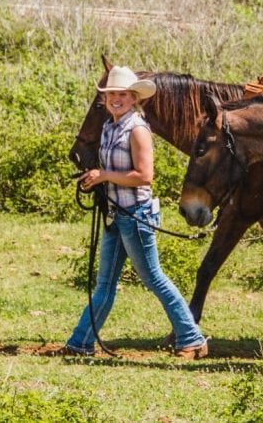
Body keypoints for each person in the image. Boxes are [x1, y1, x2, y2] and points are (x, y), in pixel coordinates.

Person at [63, 65, 208, 359]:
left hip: (136, 215)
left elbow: (144, 176)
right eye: (111, 94)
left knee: (154, 278)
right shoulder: (108, 127)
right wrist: (95, 178)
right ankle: (80, 343)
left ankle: (192, 338)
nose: (116, 99)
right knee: (104, 283)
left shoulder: (138, 129)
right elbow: (111, 171)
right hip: (116, 214)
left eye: (123, 95)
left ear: (134, 98)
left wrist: (103, 176)